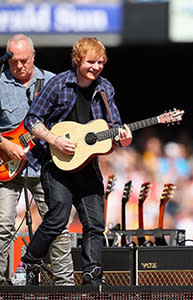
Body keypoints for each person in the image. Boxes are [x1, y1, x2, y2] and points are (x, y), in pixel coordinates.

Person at [20, 37, 133, 285]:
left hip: (87, 165)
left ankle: (93, 275)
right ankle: (30, 261)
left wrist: (123, 140)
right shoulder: (58, 84)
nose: (96, 67)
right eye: (91, 62)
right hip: (56, 163)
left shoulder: (105, 89)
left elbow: (112, 133)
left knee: (95, 222)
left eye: (101, 62)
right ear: (77, 60)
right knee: (59, 217)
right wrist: (54, 140)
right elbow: (32, 120)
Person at [0, 34, 74, 286]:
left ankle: (65, 285)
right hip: (6, 166)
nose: (19, 66)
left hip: (43, 164)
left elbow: (68, 119)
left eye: (24, 60)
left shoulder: (52, 82)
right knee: (2, 227)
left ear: (34, 55)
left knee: (57, 225)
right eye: (13, 62)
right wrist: (4, 144)